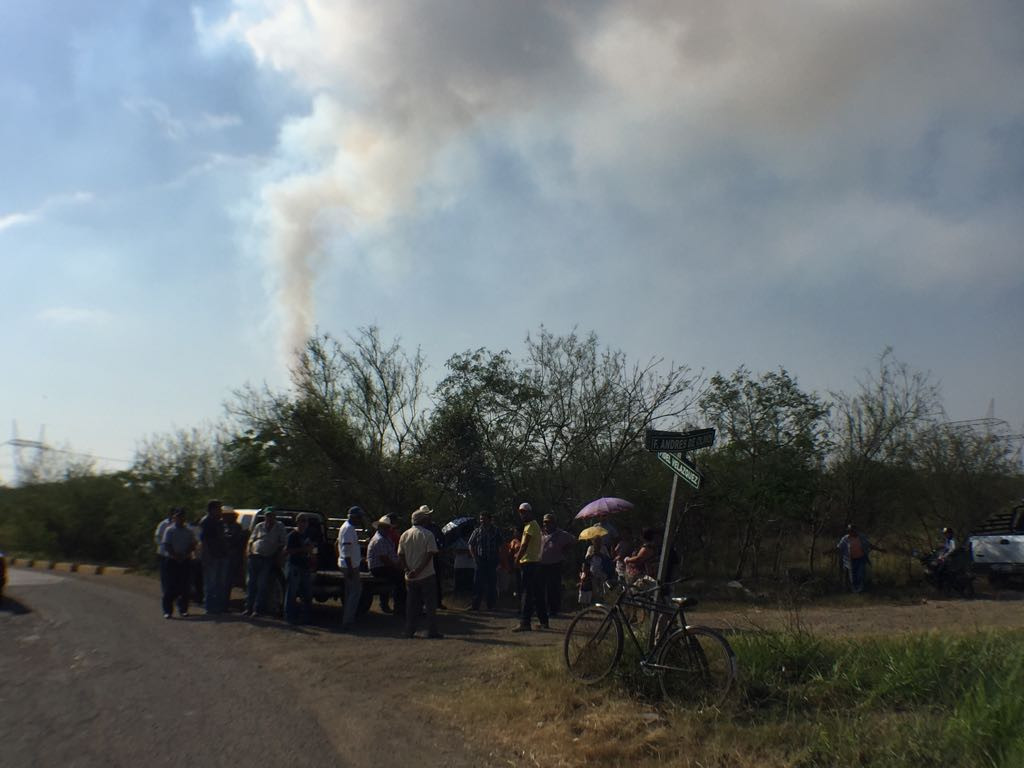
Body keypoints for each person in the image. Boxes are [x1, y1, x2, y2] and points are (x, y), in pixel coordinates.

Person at [398, 505, 443, 639]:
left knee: (411, 605)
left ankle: (409, 630)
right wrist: (418, 570)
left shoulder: (404, 534)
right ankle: (432, 631)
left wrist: (407, 569)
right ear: (423, 520)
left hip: (410, 576)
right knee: (430, 605)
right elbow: (430, 554)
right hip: (426, 574)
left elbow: (401, 554)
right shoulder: (428, 534)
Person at [245, 509, 287, 617]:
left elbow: (283, 542)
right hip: (254, 557)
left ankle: (257, 609)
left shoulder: (279, 526)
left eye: (271, 515)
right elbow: (251, 539)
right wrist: (249, 551)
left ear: (275, 516)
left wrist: (278, 555)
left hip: (267, 558)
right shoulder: (259, 526)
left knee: (262, 584)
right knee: (251, 583)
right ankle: (248, 607)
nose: (269, 517)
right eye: (267, 515)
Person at [513, 502, 548, 632]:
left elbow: (524, 545)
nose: (522, 514)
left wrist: (517, 559)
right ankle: (544, 621)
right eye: (521, 512)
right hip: (535, 562)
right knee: (538, 593)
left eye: (524, 512)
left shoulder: (530, 526)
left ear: (530, 512)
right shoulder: (534, 525)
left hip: (529, 562)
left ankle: (525, 622)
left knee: (527, 593)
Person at [161, 508, 196, 618]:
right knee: (170, 587)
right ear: (174, 518)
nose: (180, 519)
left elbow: (192, 544)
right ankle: (168, 611)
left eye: (182, 516)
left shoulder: (189, 531)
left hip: (185, 560)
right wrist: (175, 556)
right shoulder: (169, 530)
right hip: (172, 560)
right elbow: (166, 545)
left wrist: (185, 554)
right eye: (178, 516)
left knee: (185, 587)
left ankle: (183, 610)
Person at [540, 514, 575, 616]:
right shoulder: (541, 533)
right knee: (542, 587)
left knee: (553, 587)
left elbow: (573, 540)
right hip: (542, 564)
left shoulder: (561, 534)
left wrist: (565, 550)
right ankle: (543, 608)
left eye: (548, 522)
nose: (546, 524)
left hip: (555, 564)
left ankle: (553, 610)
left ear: (554, 523)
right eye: (545, 522)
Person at [368, 515, 405, 613]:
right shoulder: (379, 540)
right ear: (380, 527)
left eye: (388, 527)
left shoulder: (386, 538)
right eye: (385, 527)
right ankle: (399, 606)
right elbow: (384, 559)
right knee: (400, 578)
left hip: (384, 566)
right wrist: (397, 566)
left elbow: (391, 555)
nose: (387, 529)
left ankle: (396, 605)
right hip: (378, 567)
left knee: (399, 575)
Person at [200, 500, 230, 614]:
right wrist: (207, 557)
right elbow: (203, 542)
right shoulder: (206, 522)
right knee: (210, 583)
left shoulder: (219, 522)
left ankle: (219, 607)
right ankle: (210, 607)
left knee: (220, 583)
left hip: (221, 555)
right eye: (218, 508)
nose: (220, 511)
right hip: (211, 557)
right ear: (212, 509)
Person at [284, 514, 315, 624]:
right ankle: (289, 616)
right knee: (291, 593)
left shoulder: (307, 535)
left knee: (306, 593)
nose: (303, 523)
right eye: (301, 521)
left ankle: (306, 617)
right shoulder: (293, 535)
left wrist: (311, 555)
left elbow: (311, 550)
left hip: (305, 567)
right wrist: (303, 549)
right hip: (294, 566)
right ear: (297, 522)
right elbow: (287, 551)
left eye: (305, 521)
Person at [467, 511, 501, 611]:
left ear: (489, 520)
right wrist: (474, 557)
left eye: (484, 519)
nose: (482, 521)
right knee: (477, 583)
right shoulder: (477, 531)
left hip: (492, 560)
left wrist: (499, 559)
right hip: (480, 560)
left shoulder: (496, 530)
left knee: (492, 584)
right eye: (481, 519)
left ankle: (491, 605)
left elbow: (501, 544)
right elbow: (470, 544)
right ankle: (475, 605)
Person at [337, 506, 364, 630]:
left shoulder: (347, 527)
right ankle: (348, 620)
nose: (360, 519)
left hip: (348, 564)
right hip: (350, 565)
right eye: (359, 517)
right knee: (355, 592)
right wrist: (350, 568)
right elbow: (346, 550)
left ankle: (347, 619)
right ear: (354, 517)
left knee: (350, 593)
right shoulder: (348, 529)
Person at [836, 524, 874, 594]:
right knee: (853, 576)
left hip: (861, 559)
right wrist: (829, 551)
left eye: (852, 531)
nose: (850, 532)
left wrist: (879, 549)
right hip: (850, 560)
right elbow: (839, 547)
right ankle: (854, 590)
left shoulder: (861, 537)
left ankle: (860, 589)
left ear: (856, 531)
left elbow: (869, 544)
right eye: (849, 531)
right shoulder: (845, 538)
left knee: (860, 574)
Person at [222, 508, 246, 607]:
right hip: (223, 556)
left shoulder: (236, 527)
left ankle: (225, 603)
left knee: (227, 581)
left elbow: (235, 539)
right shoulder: (223, 526)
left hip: (233, 557)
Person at [154, 508, 175, 606]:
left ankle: (173, 594)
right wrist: (165, 546)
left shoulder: (180, 525)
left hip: (175, 554)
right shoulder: (163, 524)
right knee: (165, 576)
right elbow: (158, 537)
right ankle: (166, 594)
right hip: (163, 553)